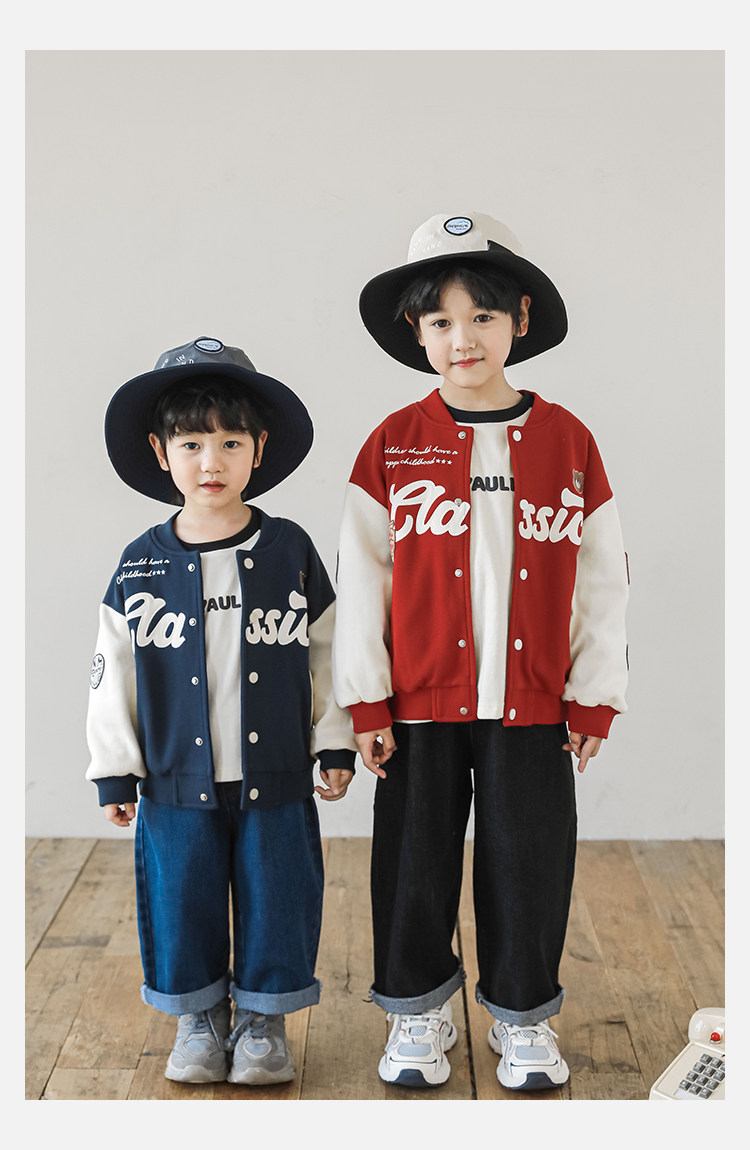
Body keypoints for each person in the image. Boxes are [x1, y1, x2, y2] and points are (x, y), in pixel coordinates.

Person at [332, 212, 629, 1091]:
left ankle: (523, 1015)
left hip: (532, 704)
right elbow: (362, 579)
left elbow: (603, 578)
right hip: (417, 705)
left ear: (520, 320)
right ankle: (416, 1011)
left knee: (529, 862)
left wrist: (594, 694)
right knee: (413, 863)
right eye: (441, 321)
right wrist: (365, 699)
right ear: (416, 331)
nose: (463, 339)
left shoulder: (570, 442)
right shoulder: (393, 443)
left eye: (483, 317)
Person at [86, 337, 356, 1086]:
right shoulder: (140, 562)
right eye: (192, 443)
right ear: (160, 451)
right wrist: (114, 770)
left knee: (280, 894)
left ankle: (264, 1020)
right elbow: (112, 676)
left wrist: (335, 743)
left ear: (259, 449)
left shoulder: (289, 550)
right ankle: (198, 1018)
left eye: (231, 442)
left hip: (277, 775)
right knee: (182, 898)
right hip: (174, 781)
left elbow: (329, 654)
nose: (212, 461)